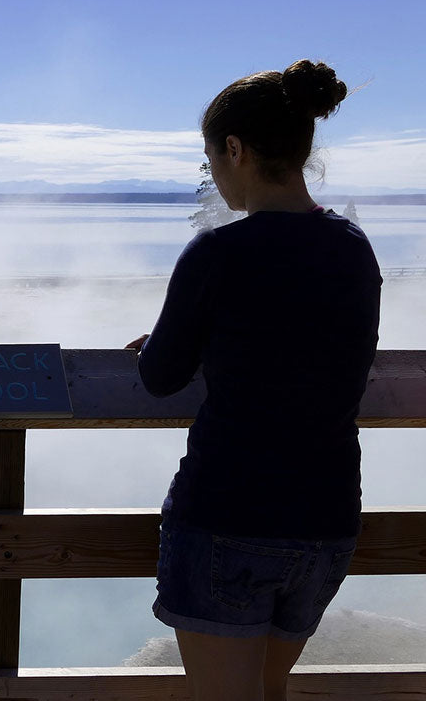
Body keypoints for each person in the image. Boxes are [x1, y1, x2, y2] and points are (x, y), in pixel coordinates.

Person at [125, 60, 382, 700]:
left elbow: (161, 375)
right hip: (326, 520)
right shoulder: (354, 249)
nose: (214, 172)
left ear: (235, 150)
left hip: (229, 516)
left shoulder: (217, 253)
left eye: (212, 156)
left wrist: (161, 344)